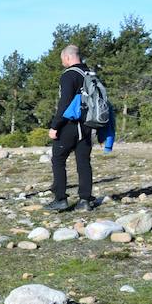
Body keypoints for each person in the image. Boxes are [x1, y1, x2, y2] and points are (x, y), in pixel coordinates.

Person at [46, 45, 102, 211]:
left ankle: (60, 198)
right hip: (89, 124)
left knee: (58, 159)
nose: (62, 62)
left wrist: (55, 126)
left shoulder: (69, 75)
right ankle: (84, 200)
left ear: (68, 58)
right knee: (84, 162)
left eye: (62, 59)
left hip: (70, 125)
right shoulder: (90, 74)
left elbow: (65, 103)